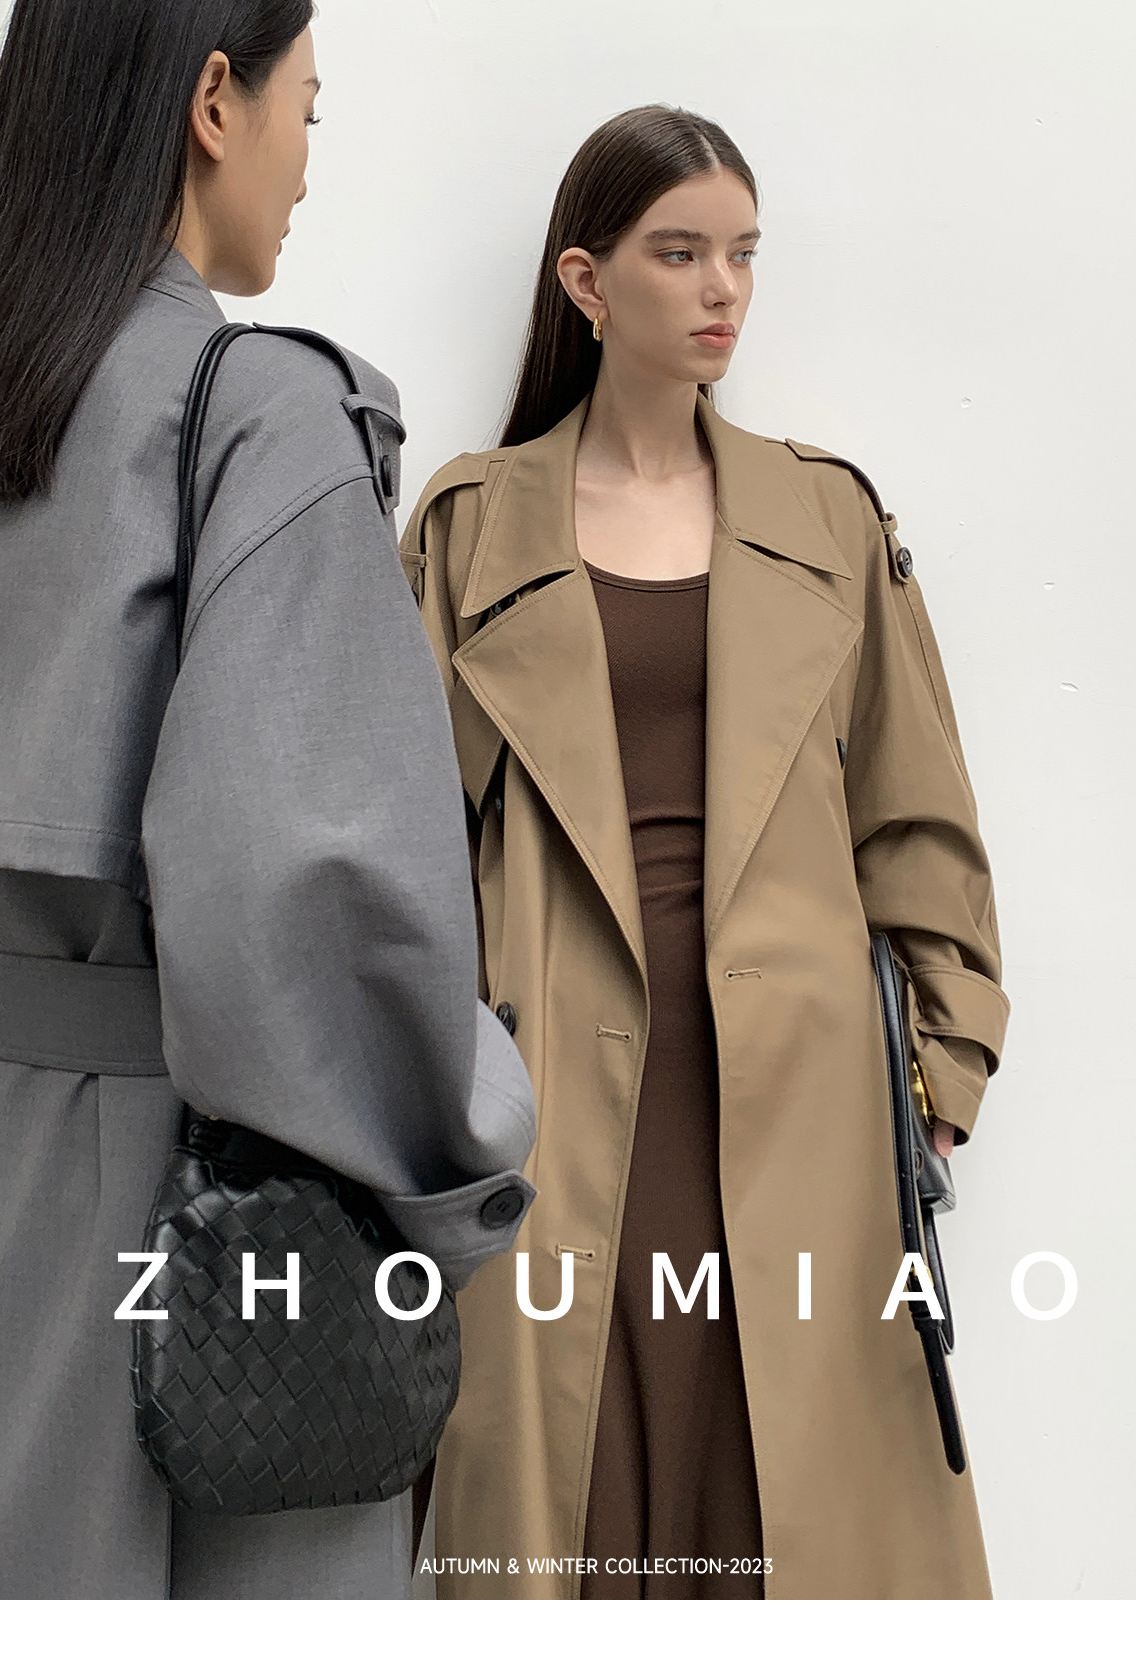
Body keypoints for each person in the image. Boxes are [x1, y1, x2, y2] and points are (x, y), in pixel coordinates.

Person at [399, 104, 1010, 1600]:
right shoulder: (473, 526)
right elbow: (405, 846)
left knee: (789, 1500)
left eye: (742, 252)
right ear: (588, 282)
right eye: (679, 253)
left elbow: (917, 812)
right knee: (576, 1498)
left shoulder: (828, 515)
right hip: (548, 1085)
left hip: (801, 1086)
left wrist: (944, 1075)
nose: (724, 288)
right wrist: (429, 1093)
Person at [0, 0, 535, 1600]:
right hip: (160, 1205)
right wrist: (464, 1156)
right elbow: (307, 891)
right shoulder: (257, 410)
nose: (308, 159)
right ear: (212, 101)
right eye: (309, 105)